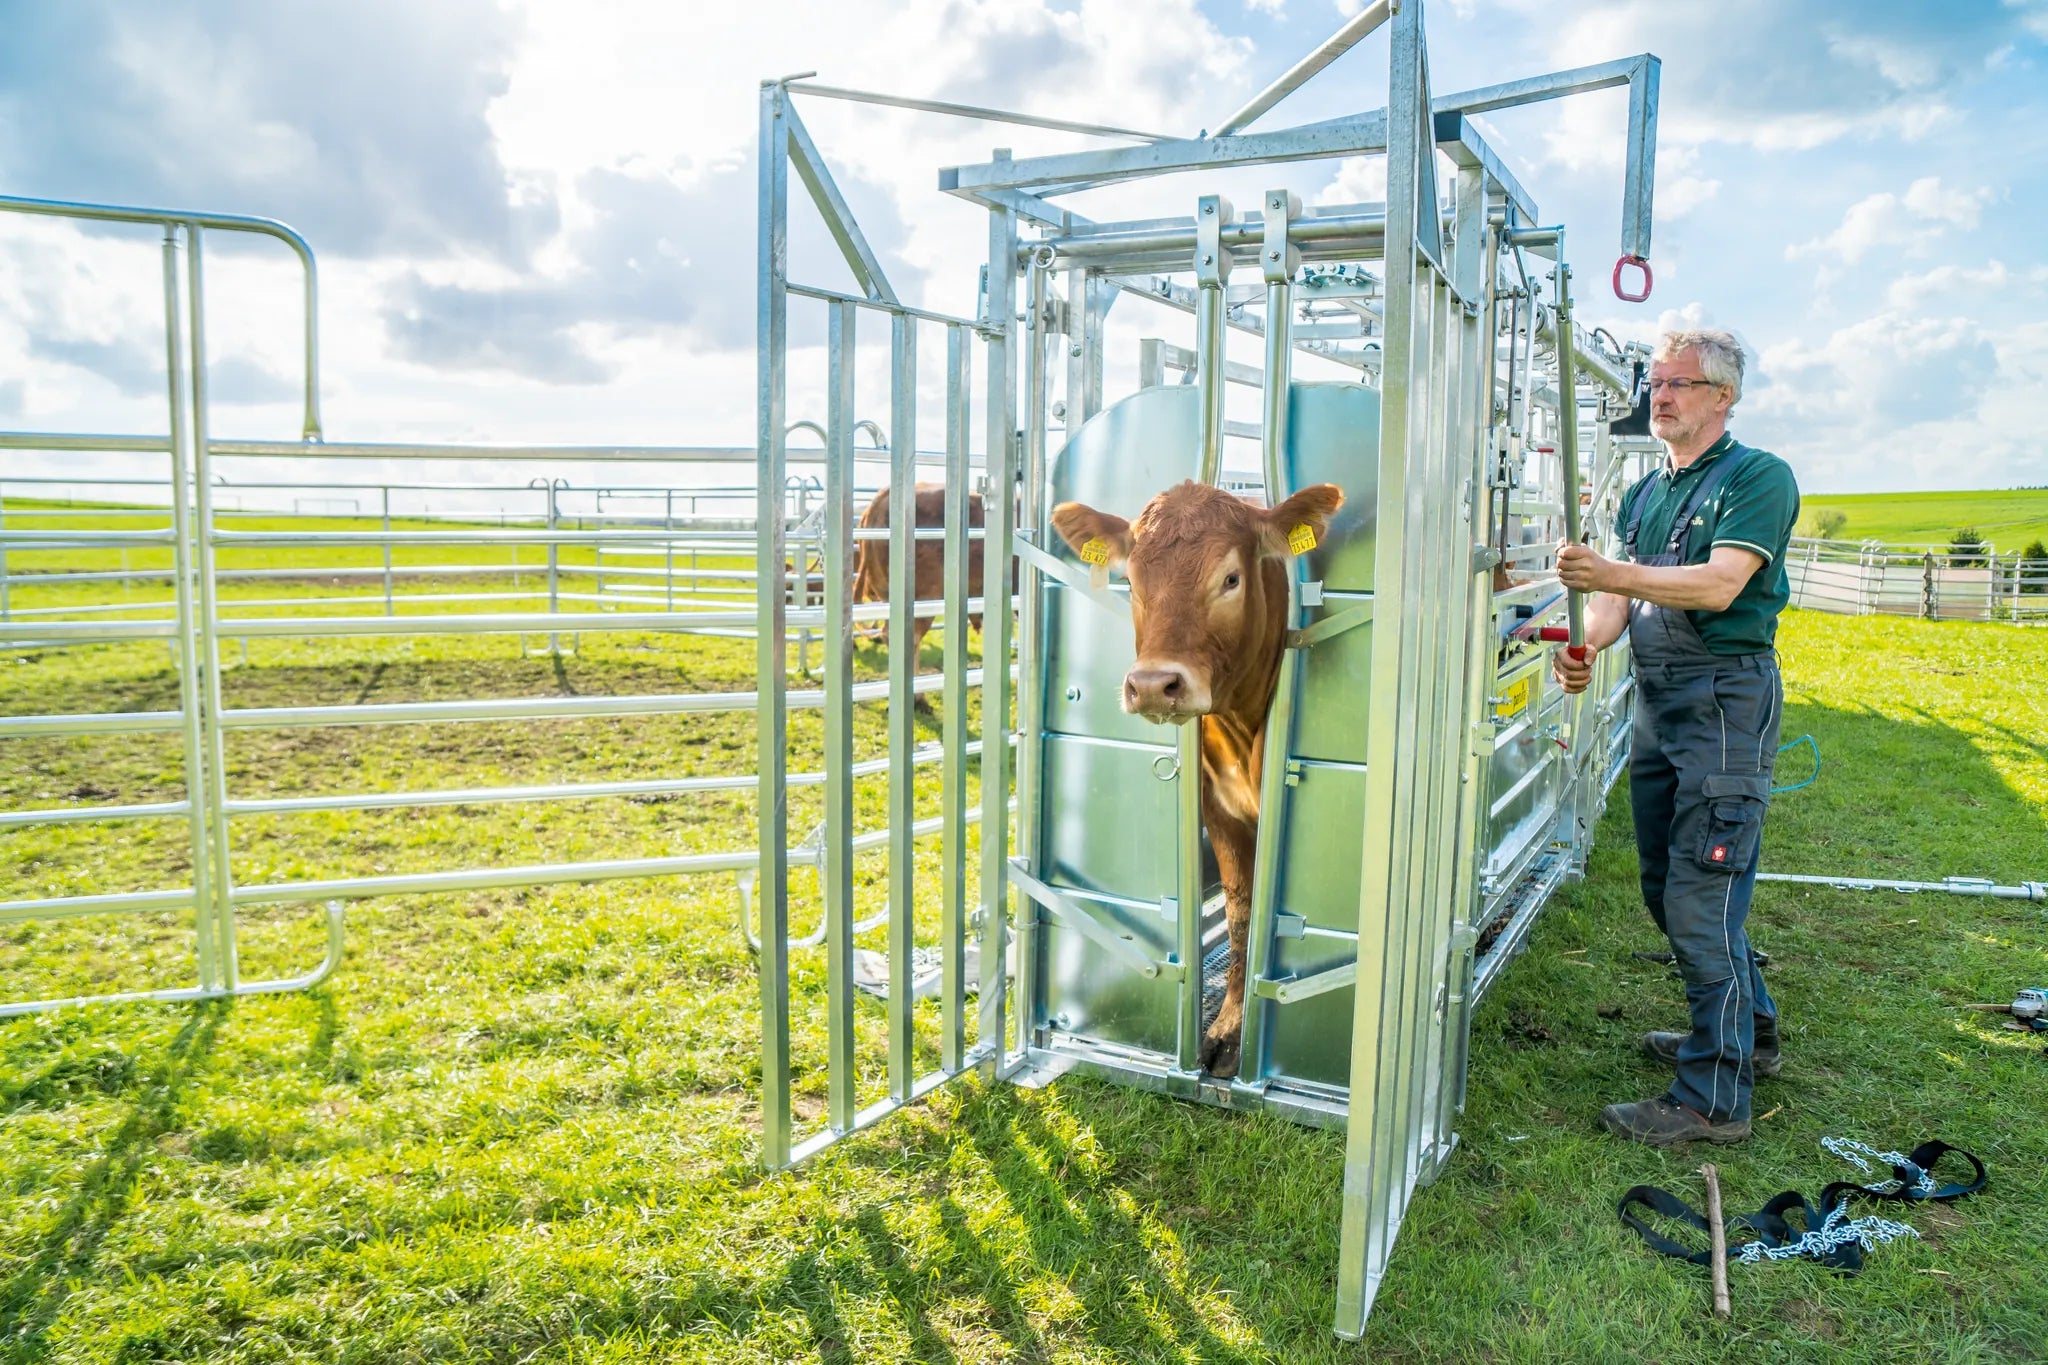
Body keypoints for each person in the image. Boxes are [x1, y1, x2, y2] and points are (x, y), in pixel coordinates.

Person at [1553, 327, 1800, 1147]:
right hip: (1660, 705)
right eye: (1654, 382)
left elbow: (1720, 584)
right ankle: (1747, 1035)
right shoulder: (1645, 492)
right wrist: (1588, 643)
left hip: (1724, 703)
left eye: (1680, 384)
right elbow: (1620, 602)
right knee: (1671, 890)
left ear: (1723, 397)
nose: (1658, 396)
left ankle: (1712, 1097)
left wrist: (1608, 574)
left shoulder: (1756, 478)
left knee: (1702, 896)